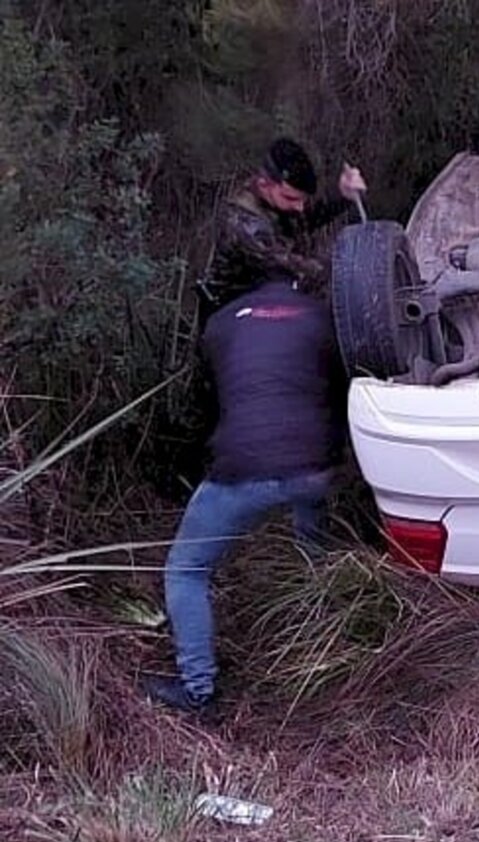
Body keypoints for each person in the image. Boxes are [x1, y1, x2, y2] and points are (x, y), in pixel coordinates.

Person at [142, 277, 347, 712]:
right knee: (315, 549)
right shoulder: (320, 316)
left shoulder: (220, 324)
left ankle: (198, 691)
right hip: (316, 466)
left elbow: (211, 404)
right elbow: (340, 389)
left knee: (186, 570)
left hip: (245, 463)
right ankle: (332, 648)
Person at [199, 137, 367, 314]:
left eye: (302, 200)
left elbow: (307, 217)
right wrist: (351, 266)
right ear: (264, 184)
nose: (299, 207)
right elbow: (294, 266)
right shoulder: (242, 223)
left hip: (269, 301)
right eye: (291, 199)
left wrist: (343, 196)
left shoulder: (275, 199)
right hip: (232, 315)